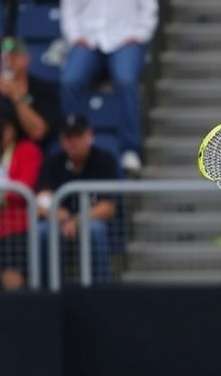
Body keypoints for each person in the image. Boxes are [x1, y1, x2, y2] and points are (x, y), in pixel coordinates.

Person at [60, 0, 159, 175]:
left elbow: (149, 6)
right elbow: (68, 7)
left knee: (126, 79)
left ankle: (130, 149)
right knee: (70, 80)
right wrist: (75, 36)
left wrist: (141, 33)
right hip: (88, 38)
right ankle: (73, 144)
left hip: (125, 37)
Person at [36, 114, 120, 284]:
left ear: (89, 136)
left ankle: (100, 289)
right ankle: (47, 291)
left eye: (78, 136)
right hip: (60, 220)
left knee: (95, 230)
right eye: (68, 137)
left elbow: (107, 207)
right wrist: (62, 216)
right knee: (42, 231)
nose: (72, 142)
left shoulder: (104, 160)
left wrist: (77, 220)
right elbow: (41, 202)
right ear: (61, 140)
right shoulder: (53, 162)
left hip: (89, 219)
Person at [0, 112, 43, 291]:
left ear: (11, 130)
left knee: (12, 279)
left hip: (14, 226)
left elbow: (23, 189)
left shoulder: (27, 151)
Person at [0, 37, 61, 149]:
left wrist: (16, 97)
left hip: (35, 154)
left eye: (14, 56)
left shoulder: (43, 90)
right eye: (4, 57)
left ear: (26, 58)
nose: (8, 61)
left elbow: (38, 132)